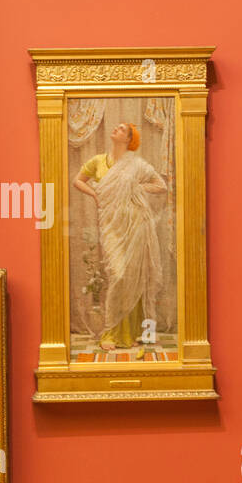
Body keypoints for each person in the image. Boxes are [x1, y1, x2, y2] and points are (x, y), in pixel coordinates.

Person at [73, 121, 169, 350]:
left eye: (122, 129)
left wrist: (135, 189)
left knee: (135, 275)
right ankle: (111, 332)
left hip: (135, 223)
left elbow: (160, 185)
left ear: (129, 139)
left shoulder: (136, 165)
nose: (116, 129)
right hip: (111, 225)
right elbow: (78, 181)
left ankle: (137, 331)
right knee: (118, 274)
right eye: (116, 127)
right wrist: (96, 195)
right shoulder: (97, 161)